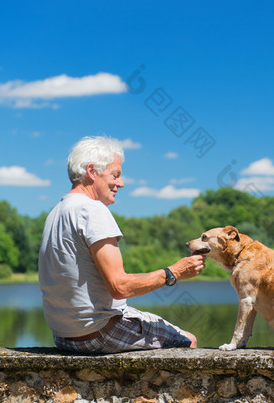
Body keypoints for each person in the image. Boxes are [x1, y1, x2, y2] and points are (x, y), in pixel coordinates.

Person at [38, 136, 206, 353]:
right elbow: (119, 287)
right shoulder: (93, 210)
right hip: (98, 333)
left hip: (63, 337)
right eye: (115, 175)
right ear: (92, 171)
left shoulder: (56, 212)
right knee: (188, 341)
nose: (121, 183)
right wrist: (174, 272)